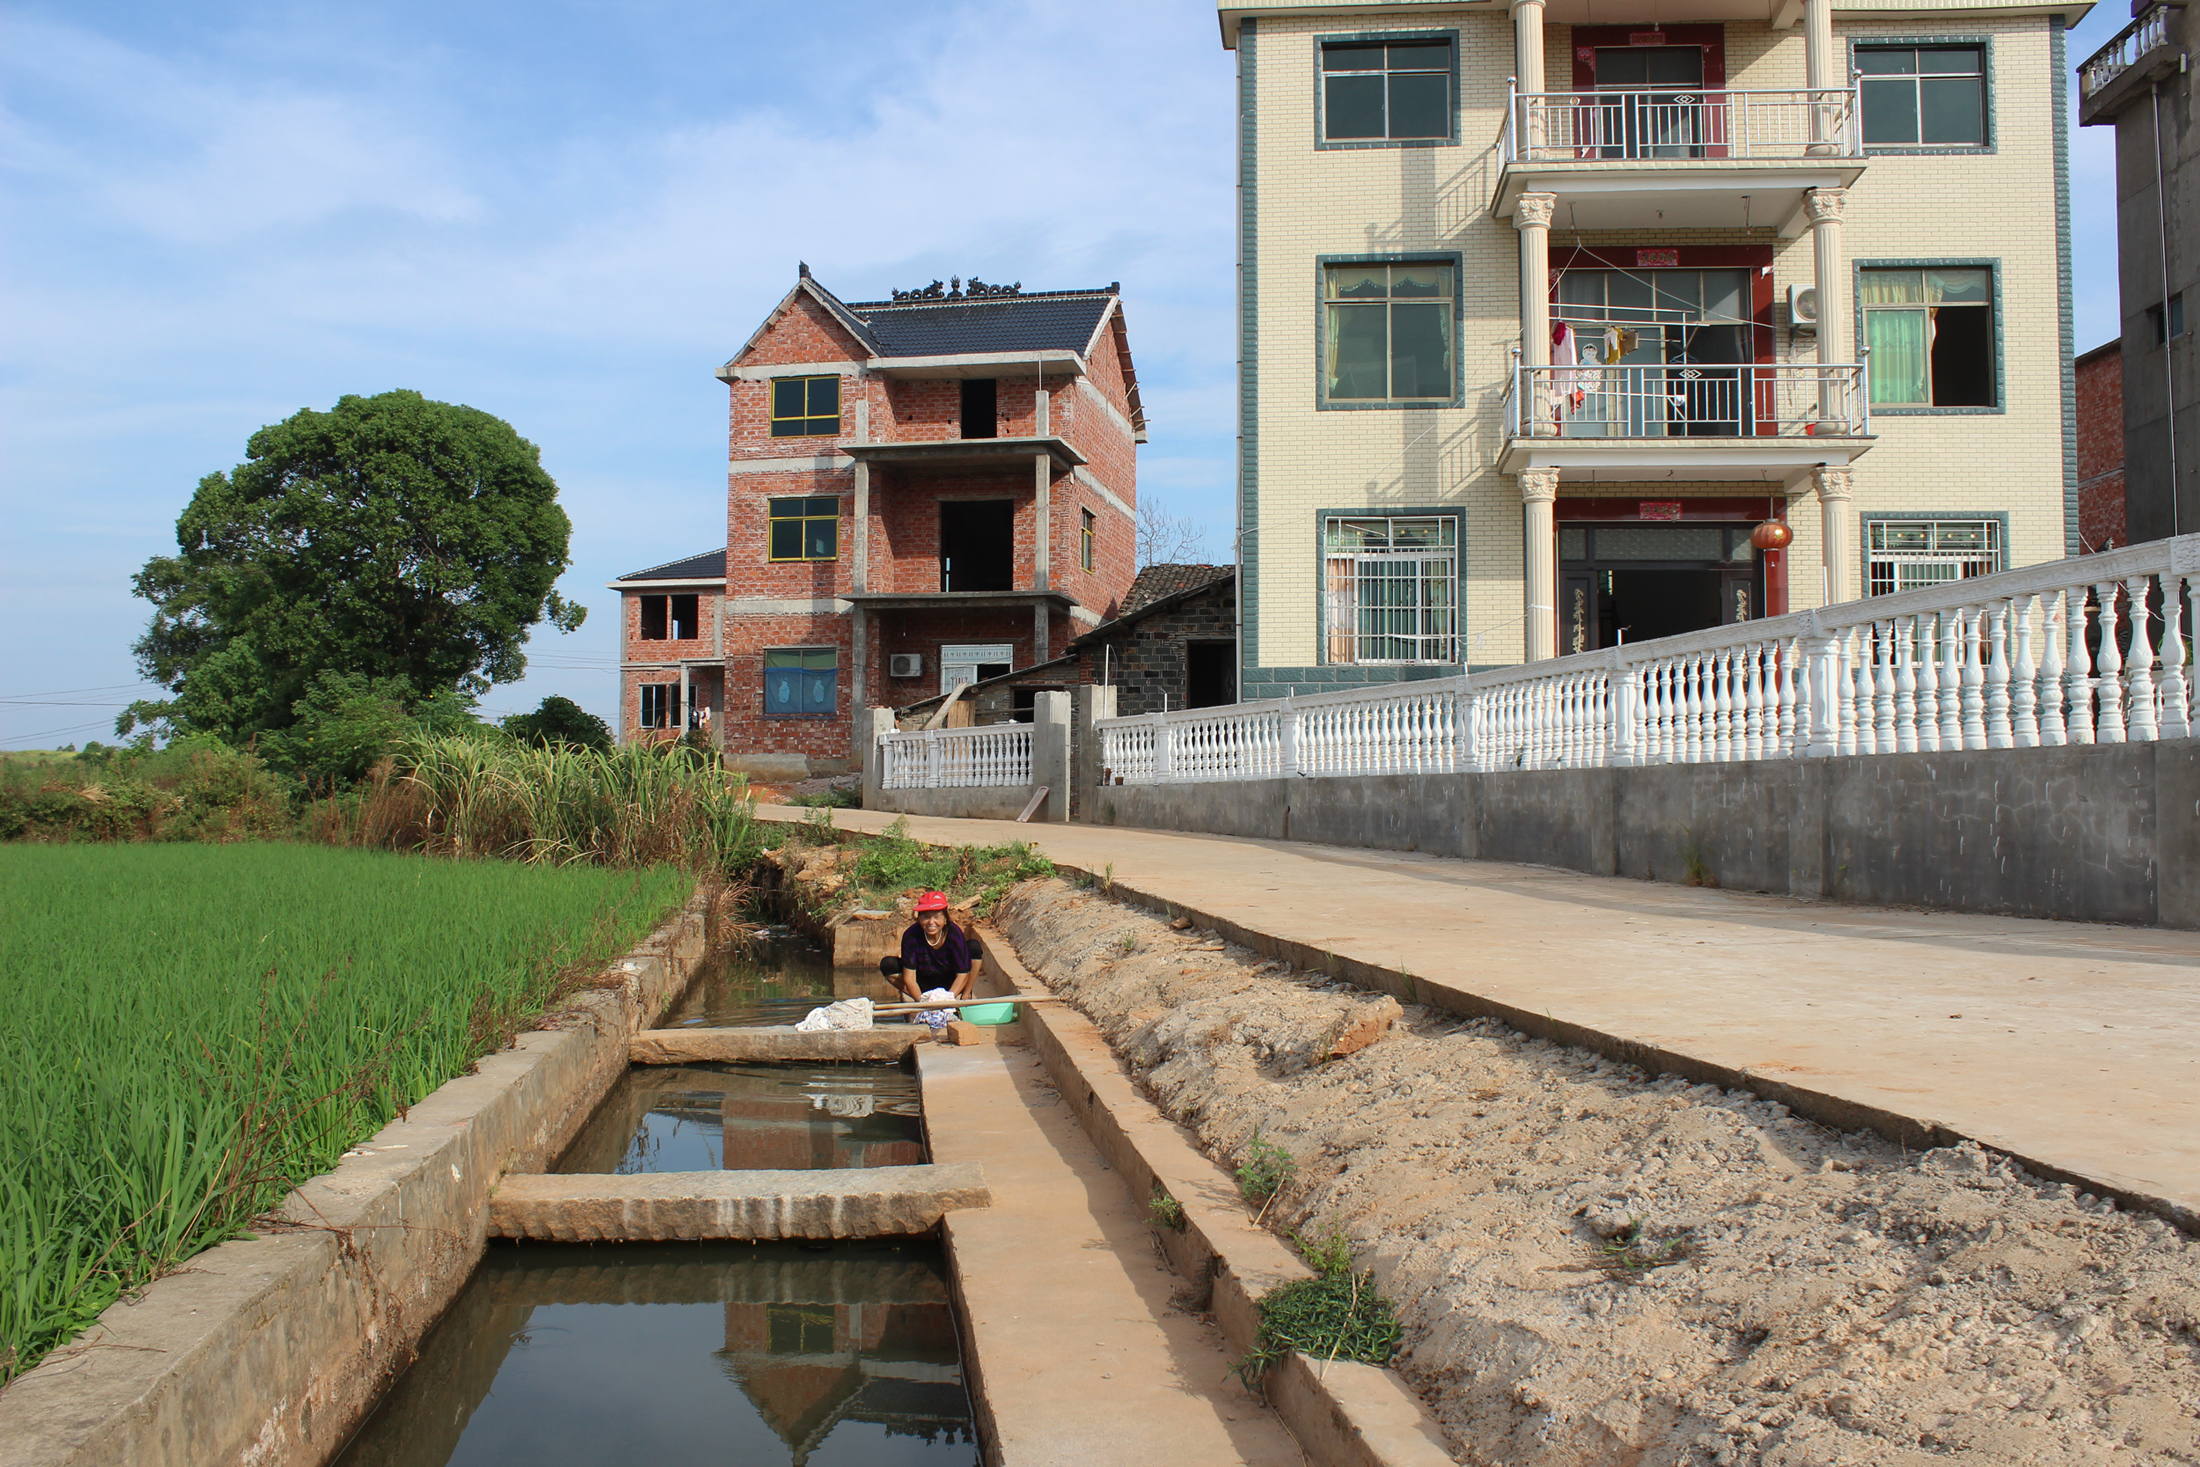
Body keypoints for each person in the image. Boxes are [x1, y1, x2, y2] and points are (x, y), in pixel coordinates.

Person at [879, 891, 984, 1015]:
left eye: (936, 917)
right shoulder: (911, 936)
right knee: (888, 964)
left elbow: (962, 974)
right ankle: (924, 1000)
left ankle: (966, 995)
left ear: (945, 919)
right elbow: (910, 978)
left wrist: (947, 1001)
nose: (931, 922)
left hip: (950, 981)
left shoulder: (954, 934)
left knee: (973, 947)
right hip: (924, 983)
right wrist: (923, 1003)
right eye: (926, 917)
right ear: (919, 918)